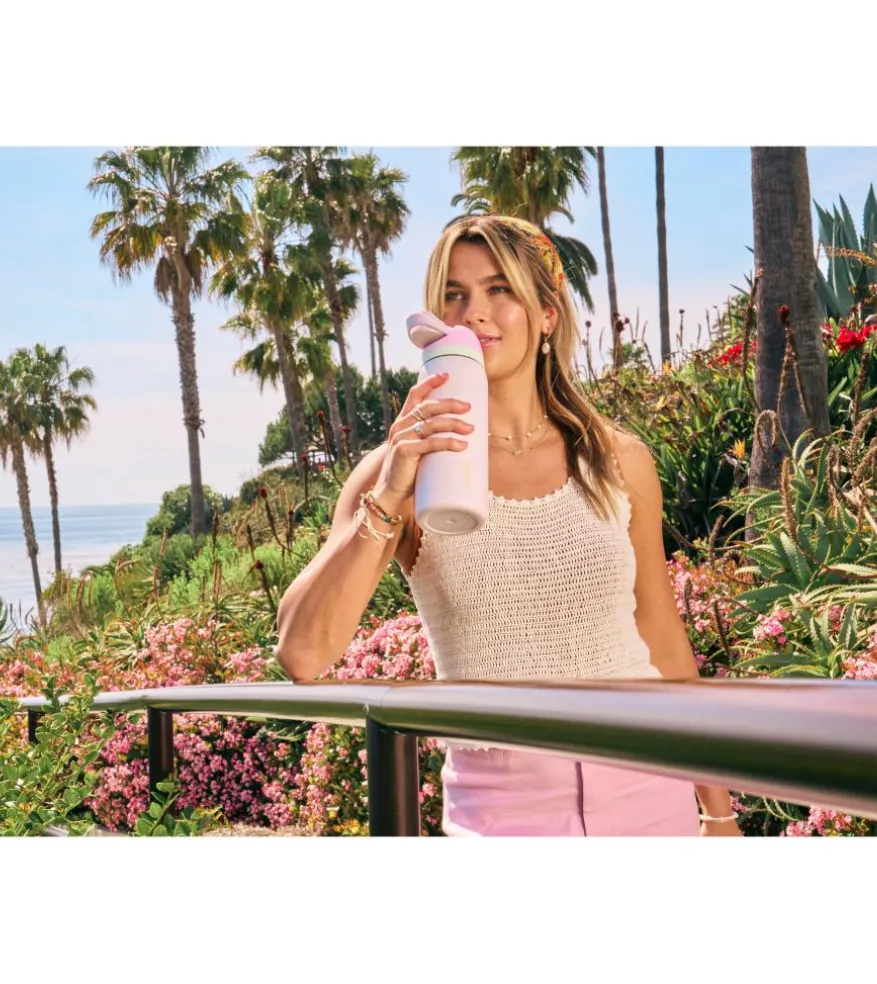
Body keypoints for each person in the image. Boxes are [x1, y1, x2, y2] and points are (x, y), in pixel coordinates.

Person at [274, 214, 742, 837]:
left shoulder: (618, 460)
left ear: (547, 313)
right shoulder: (400, 471)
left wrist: (717, 809)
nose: (475, 312)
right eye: (455, 294)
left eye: (499, 289)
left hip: (649, 789)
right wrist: (389, 492)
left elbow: (660, 634)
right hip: (500, 812)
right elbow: (303, 654)